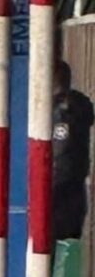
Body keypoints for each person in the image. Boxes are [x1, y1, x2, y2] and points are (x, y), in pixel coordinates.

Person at [52, 60, 94, 242]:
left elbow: (60, 153)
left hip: (57, 195)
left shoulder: (60, 112)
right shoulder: (81, 103)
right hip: (75, 193)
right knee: (68, 248)